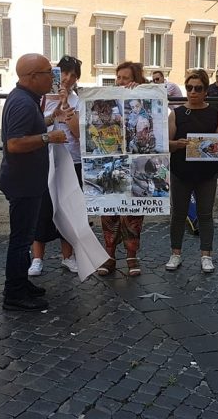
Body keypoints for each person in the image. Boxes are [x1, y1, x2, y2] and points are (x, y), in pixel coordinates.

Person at [0, 53, 67, 311]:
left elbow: (30, 128)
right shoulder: (23, 103)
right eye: (48, 73)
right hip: (23, 183)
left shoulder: (26, 99)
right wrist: (50, 138)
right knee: (20, 240)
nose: (52, 77)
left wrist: (51, 119)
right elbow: (14, 143)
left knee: (24, 238)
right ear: (32, 77)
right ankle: (14, 293)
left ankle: (20, 283)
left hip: (26, 181)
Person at [165, 69, 218, 273]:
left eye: (198, 88)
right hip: (181, 171)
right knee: (178, 214)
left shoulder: (213, 112)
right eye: (189, 88)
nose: (192, 92)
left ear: (205, 91)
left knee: (205, 215)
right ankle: (175, 254)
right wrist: (177, 143)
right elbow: (166, 144)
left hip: (206, 173)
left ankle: (206, 255)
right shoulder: (176, 113)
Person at [28, 55, 83, 277]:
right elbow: (32, 127)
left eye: (73, 75)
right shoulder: (40, 98)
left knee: (68, 209)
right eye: (64, 73)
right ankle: (37, 258)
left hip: (72, 160)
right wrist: (53, 113)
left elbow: (79, 134)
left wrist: (65, 104)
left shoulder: (77, 101)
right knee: (42, 210)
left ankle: (67, 257)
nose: (68, 79)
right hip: (44, 159)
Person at [96, 61, 147, 277]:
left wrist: (140, 94)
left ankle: (131, 255)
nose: (120, 82)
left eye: (125, 78)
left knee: (133, 211)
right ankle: (109, 256)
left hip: (136, 162)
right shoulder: (108, 99)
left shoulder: (144, 99)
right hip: (112, 159)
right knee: (109, 210)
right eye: (118, 78)